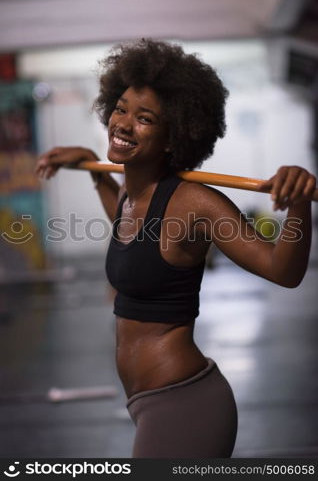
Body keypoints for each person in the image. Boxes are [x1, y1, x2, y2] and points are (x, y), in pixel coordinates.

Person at [35, 39, 316, 458]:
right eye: (121, 109)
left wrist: (297, 202)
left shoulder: (195, 203)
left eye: (145, 118)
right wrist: (95, 169)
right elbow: (131, 234)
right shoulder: (134, 197)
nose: (124, 124)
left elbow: (283, 270)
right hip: (146, 401)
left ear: (173, 136)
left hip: (184, 403)